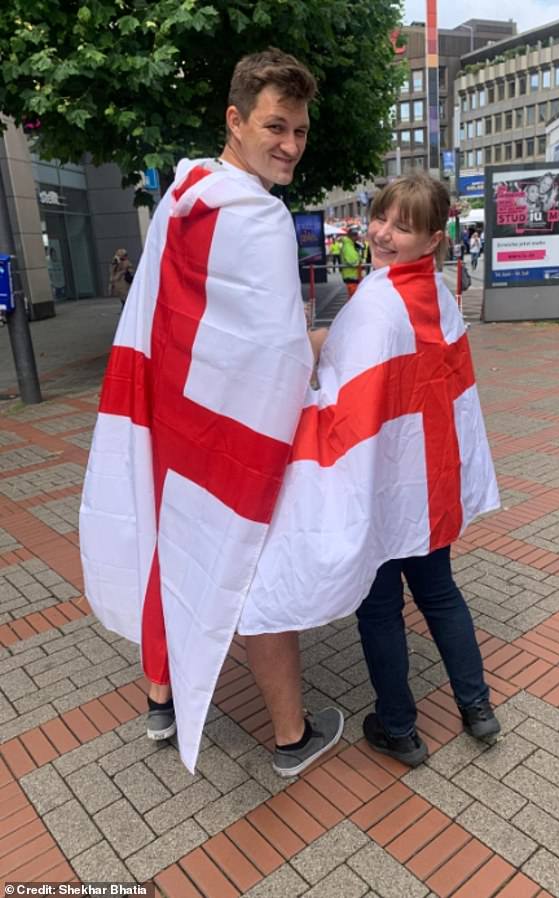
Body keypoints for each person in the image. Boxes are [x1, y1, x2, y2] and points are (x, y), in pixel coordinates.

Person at [80, 48, 343, 777]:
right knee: (250, 557)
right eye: (275, 126)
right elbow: (277, 355)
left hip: (171, 414)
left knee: (175, 544)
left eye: (299, 130)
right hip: (229, 426)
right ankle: (291, 737)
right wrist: (320, 342)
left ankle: (161, 701)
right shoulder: (258, 218)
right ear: (236, 120)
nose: (290, 144)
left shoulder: (183, 193)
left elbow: (165, 312)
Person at [239, 173, 500, 767]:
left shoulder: (377, 300)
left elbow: (340, 398)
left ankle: (399, 728)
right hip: (429, 482)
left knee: (380, 606)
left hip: (382, 483)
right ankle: (476, 706)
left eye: (401, 227)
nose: (382, 233)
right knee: (440, 593)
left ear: (432, 238)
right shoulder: (440, 296)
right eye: (381, 218)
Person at [339, 227, 362, 295]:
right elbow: (353, 261)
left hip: (351, 276)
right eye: (357, 235)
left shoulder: (349, 245)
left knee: (353, 298)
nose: (358, 237)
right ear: (353, 236)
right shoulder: (348, 246)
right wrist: (360, 260)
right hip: (352, 276)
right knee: (354, 299)